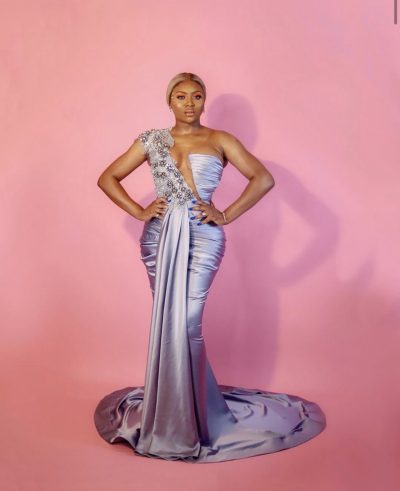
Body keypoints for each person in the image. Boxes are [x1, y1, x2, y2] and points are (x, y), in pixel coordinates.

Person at [93, 72, 326, 463]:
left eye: (197, 96)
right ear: (169, 101)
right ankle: (170, 414)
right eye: (181, 96)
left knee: (187, 323)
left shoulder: (220, 140)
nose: (189, 103)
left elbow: (263, 179)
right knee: (168, 321)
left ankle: (195, 418)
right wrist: (139, 210)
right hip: (159, 237)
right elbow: (108, 178)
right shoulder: (152, 140)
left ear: (204, 101)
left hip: (203, 236)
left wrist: (226, 214)